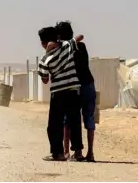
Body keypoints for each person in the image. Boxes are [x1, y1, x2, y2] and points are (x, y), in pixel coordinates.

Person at [37, 26, 84, 162]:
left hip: (58, 93)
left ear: (43, 44)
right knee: (74, 121)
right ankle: (78, 152)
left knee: (54, 125)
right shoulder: (66, 45)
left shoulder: (44, 59)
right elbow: (80, 36)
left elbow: (45, 80)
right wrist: (62, 43)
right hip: (73, 90)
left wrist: (48, 53)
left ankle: (57, 153)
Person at [57, 21, 97, 162]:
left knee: (70, 119)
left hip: (75, 87)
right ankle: (90, 153)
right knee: (89, 118)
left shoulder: (63, 50)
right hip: (89, 85)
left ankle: (70, 152)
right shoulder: (82, 46)